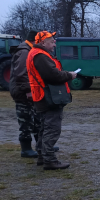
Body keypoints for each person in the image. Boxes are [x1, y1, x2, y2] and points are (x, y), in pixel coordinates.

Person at [26, 31, 77, 170]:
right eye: (52, 41)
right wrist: (69, 75)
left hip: (42, 96)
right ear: (43, 42)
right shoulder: (40, 56)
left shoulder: (36, 54)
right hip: (48, 97)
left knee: (44, 128)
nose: (54, 44)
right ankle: (49, 160)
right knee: (52, 129)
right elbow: (53, 75)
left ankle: (42, 157)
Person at [10, 30, 40, 157]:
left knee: (37, 119)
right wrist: (28, 90)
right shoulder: (24, 52)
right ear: (35, 40)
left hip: (29, 91)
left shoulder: (29, 50)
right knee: (26, 120)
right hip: (23, 93)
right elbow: (22, 74)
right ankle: (26, 149)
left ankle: (41, 145)